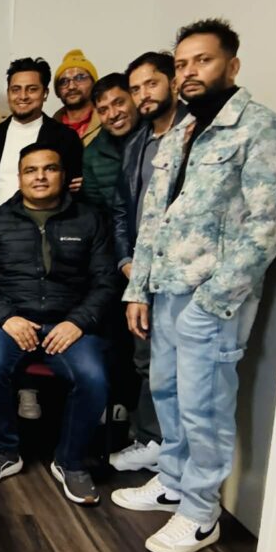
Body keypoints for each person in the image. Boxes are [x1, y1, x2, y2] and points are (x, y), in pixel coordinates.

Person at [117, 19, 276, 552]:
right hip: (165, 289)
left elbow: (269, 225)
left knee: (205, 406)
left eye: (203, 60)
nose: (190, 72)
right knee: (168, 394)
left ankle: (200, 513)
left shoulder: (265, 130)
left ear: (232, 65)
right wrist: (138, 289)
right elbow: (154, 216)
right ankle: (173, 481)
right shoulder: (183, 130)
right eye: (182, 64)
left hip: (213, 300)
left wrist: (213, 301)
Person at [0, 144, 116, 504]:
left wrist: (77, 322)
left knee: (93, 378)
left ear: (63, 175)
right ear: (20, 177)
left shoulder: (89, 219)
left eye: (49, 169)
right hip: (11, 321)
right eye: (31, 170)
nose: (40, 177)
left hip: (70, 324)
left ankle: (70, 461)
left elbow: (106, 281)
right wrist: (6, 317)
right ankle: (3, 451)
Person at [108, 51, 187, 472]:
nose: (143, 95)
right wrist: (126, 261)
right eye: (136, 88)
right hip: (140, 274)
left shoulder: (196, 133)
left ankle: (165, 451)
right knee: (147, 361)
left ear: (173, 81)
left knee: (181, 369)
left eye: (150, 84)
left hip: (183, 273)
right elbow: (123, 209)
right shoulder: (137, 142)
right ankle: (152, 441)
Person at [0, 57, 83, 211]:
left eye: (31, 89)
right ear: (8, 93)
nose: (23, 96)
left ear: (45, 93)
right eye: (16, 89)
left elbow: (73, 192)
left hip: (46, 221)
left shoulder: (66, 138)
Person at [78, 73, 140, 214]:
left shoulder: (156, 134)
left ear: (134, 97)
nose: (113, 114)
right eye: (103, 110)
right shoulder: (92, 154)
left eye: (119, 103)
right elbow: (94, 211)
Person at [52, 49, 101, 147]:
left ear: (94, 84)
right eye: (64, 82)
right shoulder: (49, 129)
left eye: (80, 78)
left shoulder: (108, 119)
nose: (71, 86)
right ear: (57, 91)